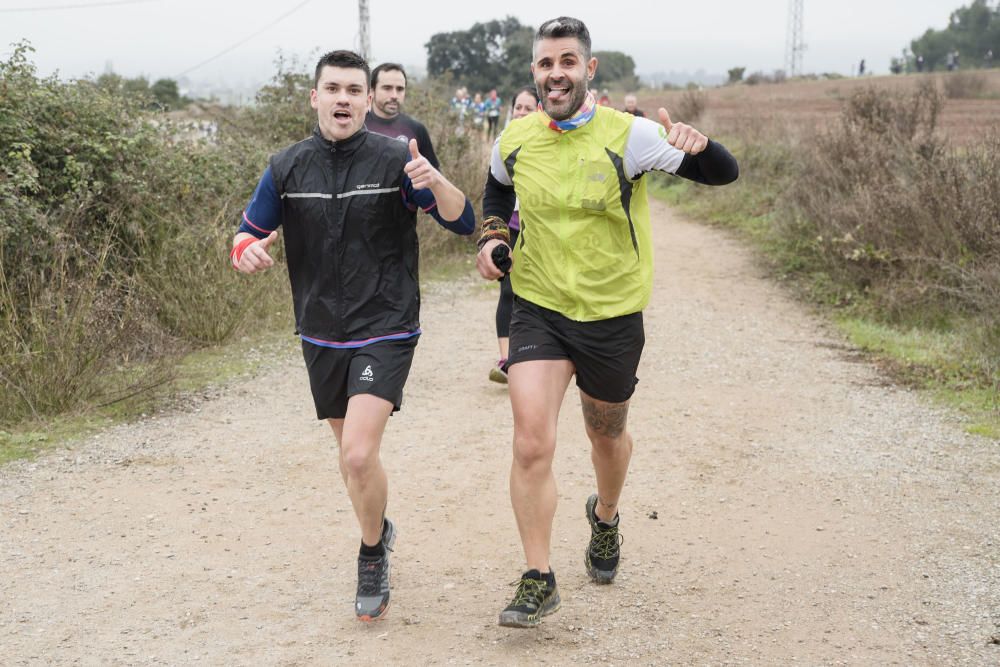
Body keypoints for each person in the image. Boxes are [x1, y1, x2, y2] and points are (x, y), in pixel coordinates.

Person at [475, 16, 738, 628]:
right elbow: (495, 193)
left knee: (605, 437)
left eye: (567, 61)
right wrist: (491, 240)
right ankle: (538, 576)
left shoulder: (634, 135)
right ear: (534, 73)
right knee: (531, 440)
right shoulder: (514, 139)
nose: (555, 73)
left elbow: (723, 175)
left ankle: (607, 517)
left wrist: (703, 145)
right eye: (545, 63)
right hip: (537, 304)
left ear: (588, 70)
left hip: (612, 314)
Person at [230, 49, 475, 622]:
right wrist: (245, 252)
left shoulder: (397, 161)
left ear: (369, 100)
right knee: (351, 460)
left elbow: (462, 221)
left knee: (360, 453)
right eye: (333, 89)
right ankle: (380, 524)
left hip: (385, 325)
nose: (343, 99)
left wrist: (435, 180)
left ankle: (371, 555)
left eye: (354, 90)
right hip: (319, 332)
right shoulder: (286, 166)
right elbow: (247, 233)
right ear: (315, 97)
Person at [488, 85, 540, 385]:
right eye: (517, 107)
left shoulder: (548, 142)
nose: (521, 113)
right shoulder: (503, 142)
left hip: (540, 228)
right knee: (508, 290)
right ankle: (507, 359)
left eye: (527, 108)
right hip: (512, 227)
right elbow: (493, 189)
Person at [365, 62, 440, 170]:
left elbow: (433, 176)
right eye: (387, 88)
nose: (394, 96)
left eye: (400, 89)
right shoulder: (357, 126)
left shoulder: (417, 129)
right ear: (371, 91)